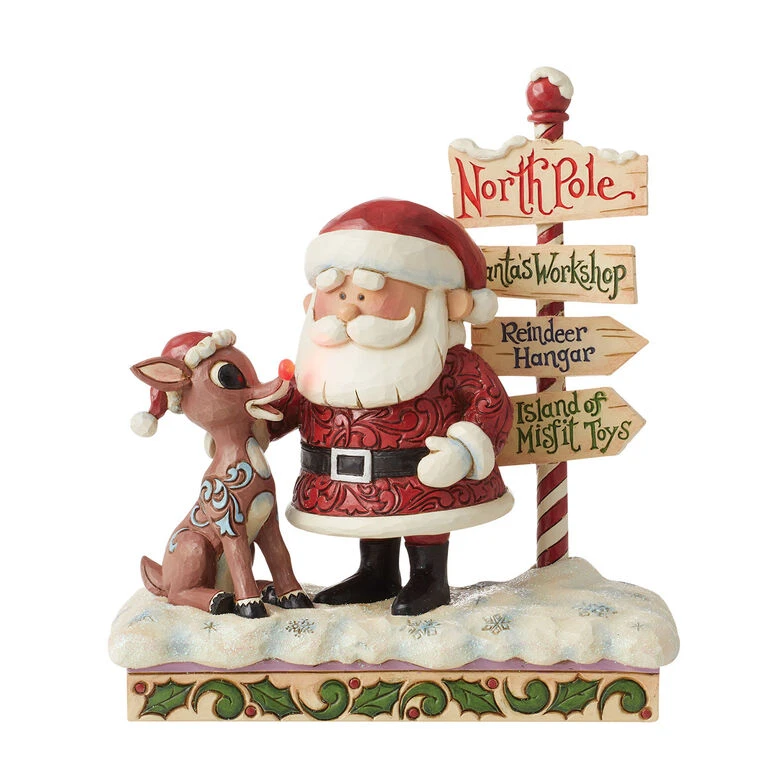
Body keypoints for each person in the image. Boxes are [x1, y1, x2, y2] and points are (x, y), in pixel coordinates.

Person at [269, 198, 513, 616]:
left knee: (424, 517)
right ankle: (376, 572)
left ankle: (429, 577)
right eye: (339, 294)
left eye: (366, 295)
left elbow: (489, 402)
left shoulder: (448, 363)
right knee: (374, 520)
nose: (348, 310)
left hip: (424, 479)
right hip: (346, 484)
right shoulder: (319, 364)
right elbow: (293, 401)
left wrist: (463, 449)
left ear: (442, 302)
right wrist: (255, 423)